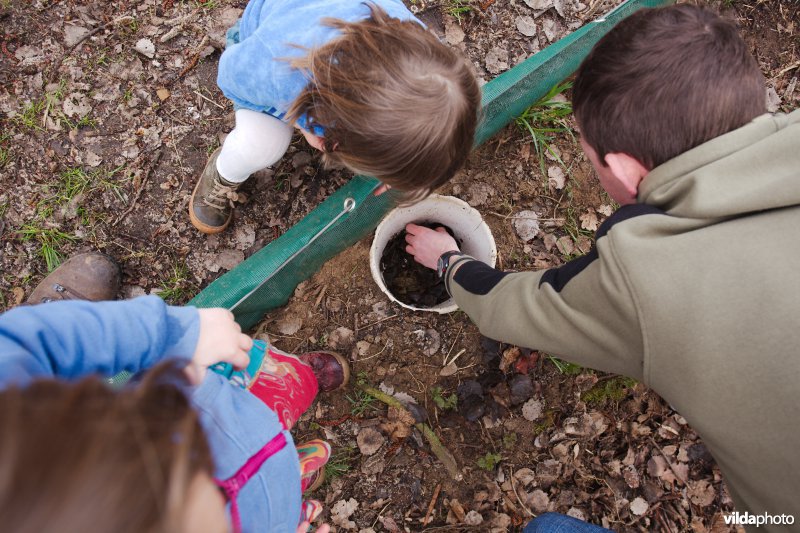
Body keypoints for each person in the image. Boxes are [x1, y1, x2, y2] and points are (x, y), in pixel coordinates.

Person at [405, 4, 800, 531]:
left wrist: (450, 262)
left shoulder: (646, 275)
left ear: (623, 169)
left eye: (589, 158)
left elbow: (522, 306)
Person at [0, 255, 348, 532]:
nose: (213, 482)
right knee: (276, 489)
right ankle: (286, 474)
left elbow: (28, 339)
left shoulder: (13, 420)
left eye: (194, 467)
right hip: (265, 512)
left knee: (275, 381)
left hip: (205, 399)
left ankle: (302, 383)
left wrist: (182, 334)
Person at [189, 0, 480, 234]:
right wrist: (300, 124)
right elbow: (231, 79)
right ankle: (225, 171)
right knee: (261, 145)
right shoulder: (279, 68)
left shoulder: (424, 60)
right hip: (261, 39)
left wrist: (405, 164)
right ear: (336, 138)